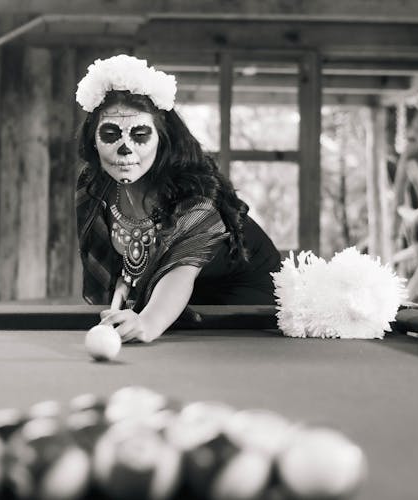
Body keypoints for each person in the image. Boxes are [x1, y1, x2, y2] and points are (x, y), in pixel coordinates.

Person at [75, 54, 282, 343]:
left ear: (162, 140)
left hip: (245, 308)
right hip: (184, 301)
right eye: (110, 134)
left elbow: (180, 272)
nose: (125, 149)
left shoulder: (195, 198)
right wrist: (127, 284)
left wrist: (147, 322)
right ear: (92, 140)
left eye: (140, 134)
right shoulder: (93, 187)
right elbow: (123, 260)